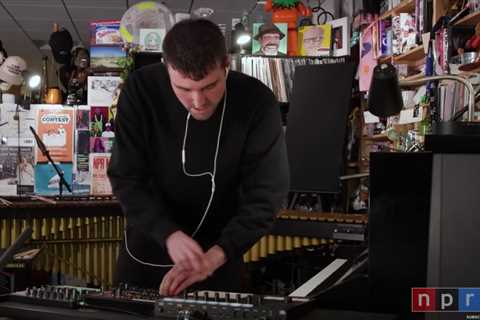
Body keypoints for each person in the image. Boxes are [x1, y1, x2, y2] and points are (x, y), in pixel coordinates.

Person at [108, 18, 289, 296]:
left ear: (225, 65)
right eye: (183, 89)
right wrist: (167, 233)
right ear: (166, 67)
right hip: (145, 254)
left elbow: (266, 196)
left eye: (208, 86)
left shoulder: (258, 102)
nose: (198, 101)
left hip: (219, 260)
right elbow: (126, 176)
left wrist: (215, 256)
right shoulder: (140, 89)